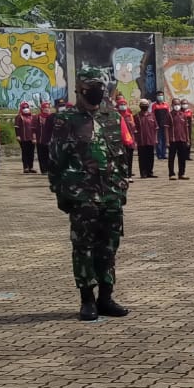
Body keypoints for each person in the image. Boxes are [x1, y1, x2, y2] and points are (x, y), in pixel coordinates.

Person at [48, 67, 131, 322]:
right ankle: (87, 299)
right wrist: (62, 194)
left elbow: (123, 154)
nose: (96, 92)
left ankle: (106, 297)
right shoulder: (66, 120)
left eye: (99, 87)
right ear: (80, 89)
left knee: (109, 247)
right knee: (83, 248)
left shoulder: (113, 117)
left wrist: (122, 186)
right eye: (91, 87)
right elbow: (54, 161)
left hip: (111, 195)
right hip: (82, 196)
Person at [168, 99, 192, 180]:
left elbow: (186, 128)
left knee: (182, 157)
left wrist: (188, 139)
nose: (177, 106)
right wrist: (167, 140)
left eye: (178, 104)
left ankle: (182, 173)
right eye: (175, 104)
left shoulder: (183, 115)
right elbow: (166, 129)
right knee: (171, 157)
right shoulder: (169, 115)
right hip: (173, 139)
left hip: (182, 139)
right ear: (172, 105)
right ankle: (171, 173)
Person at [134, 99, 157, 178]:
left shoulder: (152, 115)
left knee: (150, 157)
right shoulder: (136, 116)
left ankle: (150, 172)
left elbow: (156, 127)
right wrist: (135, 141)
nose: (144, 106)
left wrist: (155, 138)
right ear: (140, 106)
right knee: (142, 157)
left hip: (150, 139)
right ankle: (143, 173)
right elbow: (134, 129)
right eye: (143, 105)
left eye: (146, 105)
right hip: (141, 140)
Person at [116, 98, 136, 179]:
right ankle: (122, 175)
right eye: (121, 104)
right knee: (121, 159)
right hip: (119, 140)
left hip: (129, 139)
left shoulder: (129, 115)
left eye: (124, 104)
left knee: (129, 158)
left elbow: (134, 127)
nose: (123, 106)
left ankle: (129, 175)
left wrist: (132, 124)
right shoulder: (116, 115)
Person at [151, 90, 170, 160]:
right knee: (158, 140)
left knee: (165, 139)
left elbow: (168, 115)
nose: (160, 97)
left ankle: (164, 153)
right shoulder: (154, 105)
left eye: (161, 95)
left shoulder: (166, 105)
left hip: (165, 125)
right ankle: (159, 154)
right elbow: (152, 115)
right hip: (157, 124)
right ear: (156, 97)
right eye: (159, 95)